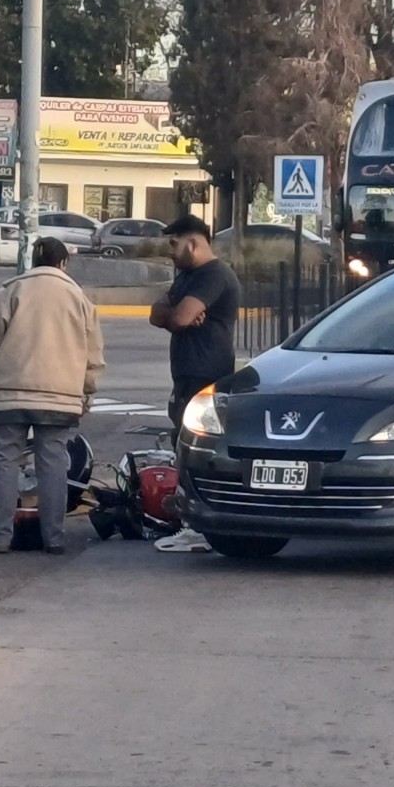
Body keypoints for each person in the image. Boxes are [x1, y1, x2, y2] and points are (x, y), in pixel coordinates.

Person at [0, 237, 106, 555]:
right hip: (60, 398)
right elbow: (94, 356)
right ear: (63, 264)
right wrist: (86, 393)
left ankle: (0, 536)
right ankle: (54, 538)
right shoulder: (80, 300)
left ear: (33, 262)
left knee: (4, 461)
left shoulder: (9, 291)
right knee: (54, 464)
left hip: (11, 394)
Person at [148, 214, 240, 554]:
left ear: (194, 243)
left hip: (206, 375)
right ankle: (189, 522)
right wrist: (174, 313)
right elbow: (157, 314)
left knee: (194, 451)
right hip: (185, 375)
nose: (169, 251)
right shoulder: (187, 277)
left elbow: (179, 317)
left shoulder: (214, 275)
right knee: (179, 444)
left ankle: (197, 527)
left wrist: (177, 314)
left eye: (174, 244)